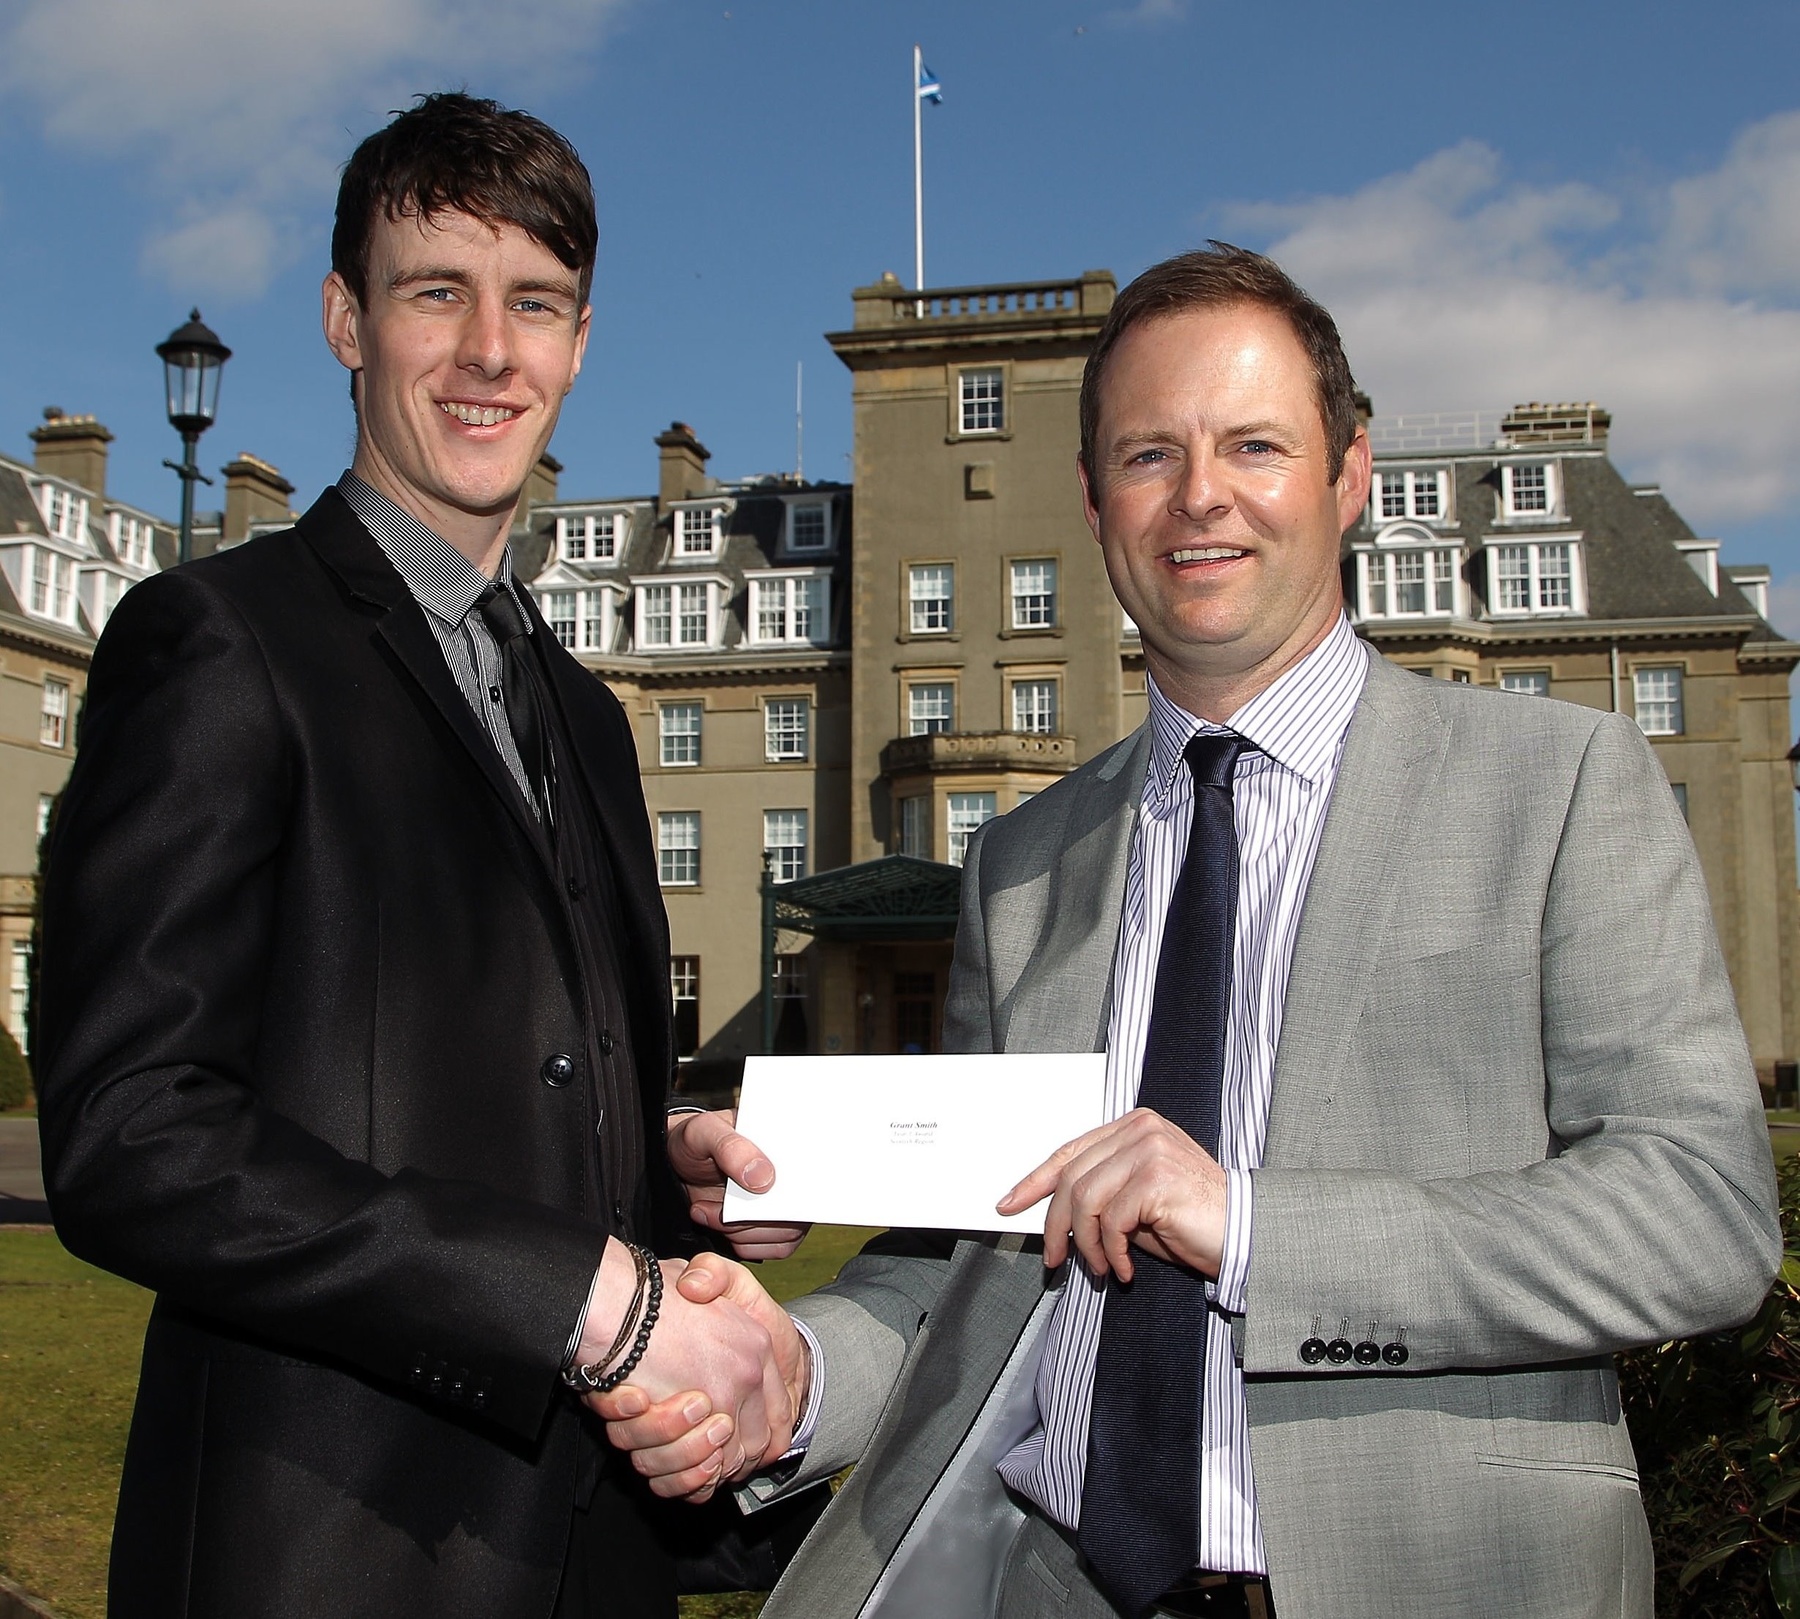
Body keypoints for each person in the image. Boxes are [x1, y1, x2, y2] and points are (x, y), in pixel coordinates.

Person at [599, 244, 1782, 1619]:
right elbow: (963, 1259)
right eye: (1150, 455)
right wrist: (794, 1377)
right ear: (1095, 501)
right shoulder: (1021, 864)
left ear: (1349, 475)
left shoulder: (1560, 786)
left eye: (1255, 445)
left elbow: (1699, 1214)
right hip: (1053, 1582)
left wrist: (1250, 1224)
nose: (1201, 495)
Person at [36, 92, 809, 1619]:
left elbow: (494, 1074)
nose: (490, 352)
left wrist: (657, 1163)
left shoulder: (587, 717)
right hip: (325, 1552)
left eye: (536, 303)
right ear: (347, 318)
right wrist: (580, 1298)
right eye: (437, 292)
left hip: (586, 1563)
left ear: (580, 343)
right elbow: (133, 1133)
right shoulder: (220, 642)